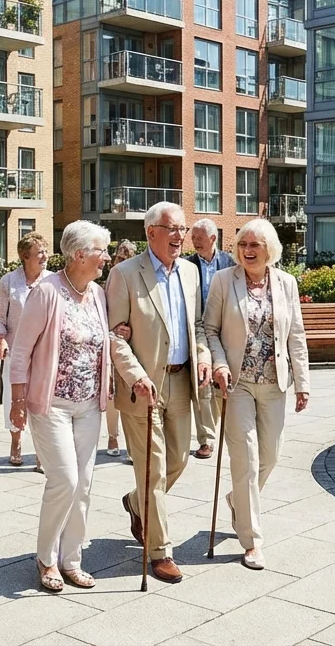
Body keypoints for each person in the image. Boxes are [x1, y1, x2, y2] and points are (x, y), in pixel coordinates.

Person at [106, 201, 212, 584]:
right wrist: (134, 375)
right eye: (173, 229)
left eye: (183, 229)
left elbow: (197, 326)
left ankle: (136, 504)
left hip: (181, 381)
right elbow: (116, 335)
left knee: (179, 459)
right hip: (143, 387)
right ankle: (160, 551)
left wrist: (201, 356)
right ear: (151, 232)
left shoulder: (188, 271)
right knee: (152, 470)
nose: (180, 236)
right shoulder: (124, 274)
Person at [9, 220, 113, 592]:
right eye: (101, 250)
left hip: (88, 405)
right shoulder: (47, 292)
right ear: (80, 254)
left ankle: (72, 559)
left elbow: (104, 341)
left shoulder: (98, 294)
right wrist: (18, 401)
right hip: (50, 403)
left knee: (83, 484)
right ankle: (46, 557)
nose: (106, 257)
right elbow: (20, 350)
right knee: (65, 479)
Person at [202, 219, 309, 570]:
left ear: (270, 250)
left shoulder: (286, 283)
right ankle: (252, 541)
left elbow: (295, 334)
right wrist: (218, 363)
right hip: (237, 384)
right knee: (245, 459)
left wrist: (302, 382)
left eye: (255, 245)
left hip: (274, 382)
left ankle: (238, 500)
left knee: (270, 457)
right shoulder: (223, 280)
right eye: (243, 244)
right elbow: (210, 329)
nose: (248, 250)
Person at [0, 232, 50, 468]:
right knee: (13, 398)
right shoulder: (8, 281)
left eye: (46, 251)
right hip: (15, 351)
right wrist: (1, 339)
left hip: (43, 353)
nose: (45, 256)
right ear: (26, 257)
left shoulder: (52, 281)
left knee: (41, 402)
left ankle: (41, 451)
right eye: (40, 253)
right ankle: (16, 441)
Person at [186, 218, 235, 460]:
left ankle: (220, 429)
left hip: (225, 330)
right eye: (193, 238)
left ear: (213, 238)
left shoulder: (230, 263)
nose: (194, 242)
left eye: (199, 238)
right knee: (202, 382)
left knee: (222, 381)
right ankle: (207, 438)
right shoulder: (187, 265)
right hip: (198, 330)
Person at [103, 239, 139, 457]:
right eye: (119, 258)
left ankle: (132, 444)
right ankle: (112, 436)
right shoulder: (105, 282)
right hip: (109, 345)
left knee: (131, 394)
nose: (121, 262)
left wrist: (130, 330)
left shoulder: (137, 280)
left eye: (127, 259)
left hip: (132, 346)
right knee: (110, 395)